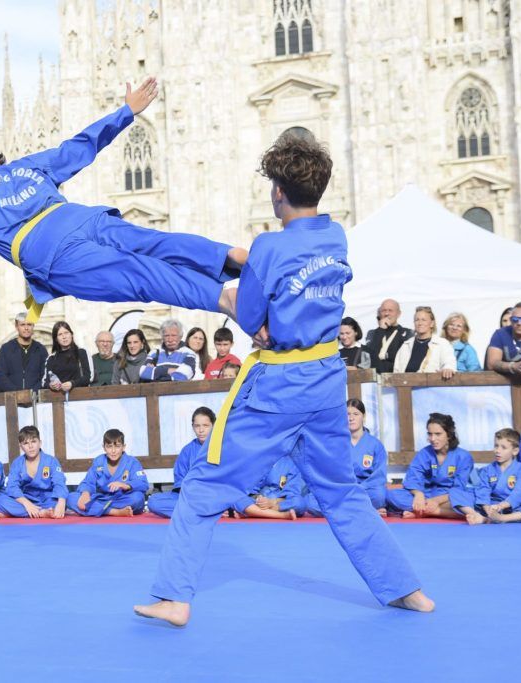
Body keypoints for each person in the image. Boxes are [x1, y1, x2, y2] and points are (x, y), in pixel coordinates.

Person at [134, 133, 431, 628]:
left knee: (206, 487)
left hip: (277, 384)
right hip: (326, 380)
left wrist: (258, 307)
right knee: (341, 490)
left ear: (277, 191)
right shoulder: (335, 237)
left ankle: (173, 597)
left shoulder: (268, 248)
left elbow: (250, 313)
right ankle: (405, 589)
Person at [0, 77, 249, 321]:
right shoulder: (28, 166)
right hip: (79, 217)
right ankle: (228, 255)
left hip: (50, 251)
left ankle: (220, 297)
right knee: (153, 242)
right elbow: (81, 146)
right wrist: (126, 111)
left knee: (138, 274)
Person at [449, 429, 521, 525]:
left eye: (503, 447)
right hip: (491, 505)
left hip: (515, 507)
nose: (497, 450)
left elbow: (519, 493)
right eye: (496, 446)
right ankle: (477, 515)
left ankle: (502, 519)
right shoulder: (488, 469)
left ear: (515, 451)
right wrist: (486, 507)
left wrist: (501, 506)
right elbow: (483, 490)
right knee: (455, 492)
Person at [306, 398, 386, 517]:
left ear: (363, 417)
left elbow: (378, 475)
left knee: (379, 496)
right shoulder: (334, 443)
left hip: (364, 490)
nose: (351, 418)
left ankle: (342, 511)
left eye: (356, 414)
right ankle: (363, 511)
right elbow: (327, 473)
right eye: (347, 414)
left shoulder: (375, 444)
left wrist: (359, 489)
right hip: (340, 489)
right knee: (310, 501)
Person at [385, 413, 474, 519]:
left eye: (438, 434)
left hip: (448, 497)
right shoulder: (424, 453)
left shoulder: (463, 456)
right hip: (426, 495)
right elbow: (413, 479)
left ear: (449, 435)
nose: (432, 438)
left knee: (468, 500)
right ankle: (436, 511)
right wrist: (418, 495)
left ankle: (428, 512)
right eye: (430, 434)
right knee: (391, 495)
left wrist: (436, 501)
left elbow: (459, 489)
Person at [149, 407, 214, 518]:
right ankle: (207, 511)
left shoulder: (223, 447)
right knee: (153, 501)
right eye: (197, 426)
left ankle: (207, 510)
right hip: (192, 498)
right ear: (193, 427)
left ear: (214, 426)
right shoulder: (187, 450)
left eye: (205, 425)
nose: (201, 430)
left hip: (216, 495)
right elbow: (180, 483)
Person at [67, 429, 149, 516]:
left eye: (117, 446)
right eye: (109, 446)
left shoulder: (132, 462)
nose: (113, 451)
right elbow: (88, 482)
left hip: (122, 498)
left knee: (138, 498)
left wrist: (125, 485)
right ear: (104, 447)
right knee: (70, 498)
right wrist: (85, 494)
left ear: (123, 447)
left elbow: (143, 484)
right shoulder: (99, 461)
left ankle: (96, 509)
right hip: (103, 498)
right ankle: (115, 512)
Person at [0, 425, 67, 518]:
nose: (30, 446)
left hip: (47, 500)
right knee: (1, 501)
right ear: (21, 446)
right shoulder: (17, 463)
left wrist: (61, 502)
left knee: (63, 501)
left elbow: (59, 482)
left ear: (40, 443)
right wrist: (27, 504)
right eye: (26, 443)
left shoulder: (51, 461)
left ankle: (24, 513)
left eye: (34, 441)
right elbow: (12, 486)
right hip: (26, 499)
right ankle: (42, 513)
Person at [392, 306, 457, 378]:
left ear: (432, 323)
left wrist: (448, 369)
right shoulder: (406, 345)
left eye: (424, 320)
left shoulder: (442, 344)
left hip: (431, 387)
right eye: (417, 320)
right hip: (406, 387)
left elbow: (449, 362)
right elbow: (396, 371)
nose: (420, 323)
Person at [0, 312, 49, 392]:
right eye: (22, 325)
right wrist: (18, 393)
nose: (26, 328)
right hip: (12, 399)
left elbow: (45, 376)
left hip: (36, 399)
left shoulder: (41, 349)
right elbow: (1, 377)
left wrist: (33, 392)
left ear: (33, 326)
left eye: (29, 324)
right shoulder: (6, 349)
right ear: (16, 326)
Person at [363, 299, 412, 373]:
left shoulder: (407, 333)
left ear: (398, 313)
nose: (386, 313)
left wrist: (386, 356)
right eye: (384, 310)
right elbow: (369, 356)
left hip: (396, 376)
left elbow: (402, 357)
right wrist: (381, 329)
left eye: (390, 310)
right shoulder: (373, 333)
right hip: (375, 377)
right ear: (379, 313)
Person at [43, 321, 91, 393]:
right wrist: (51, 385)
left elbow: (89, 377)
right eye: (60, 334)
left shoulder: (82, 352)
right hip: (58, 399)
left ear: (71, 334)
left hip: (81, 397)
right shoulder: (51, 358)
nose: (64, 337)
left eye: (66, 333)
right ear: (56, 339)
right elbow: (44, 382)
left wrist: (72, 383)